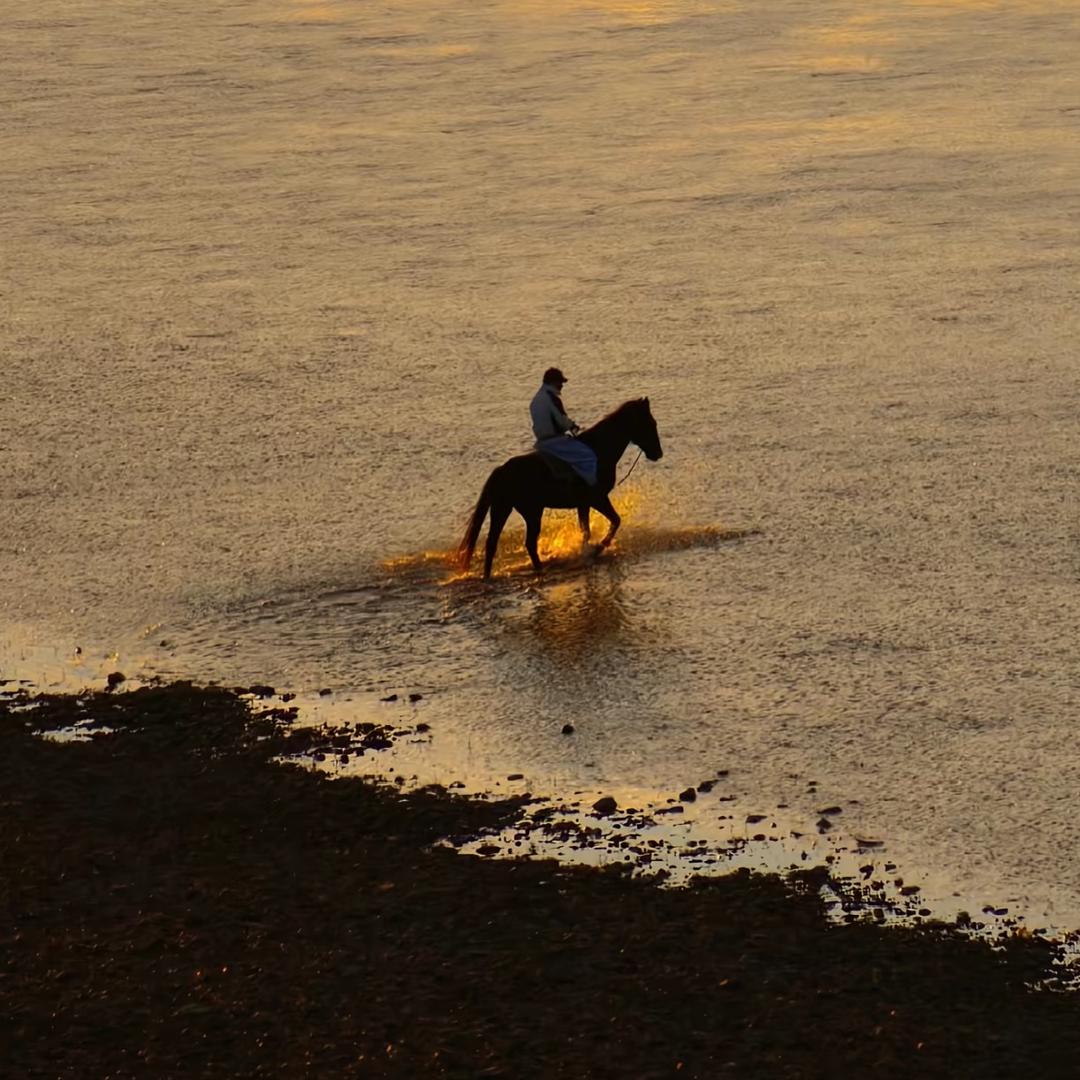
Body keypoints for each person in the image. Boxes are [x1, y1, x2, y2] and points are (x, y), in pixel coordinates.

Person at [529, 367, 598, 488]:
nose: (561, 386)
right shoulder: (552, 398)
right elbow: (561, 420)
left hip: (541, 441)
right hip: (555, 440)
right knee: (588, 455)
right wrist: (573, 426)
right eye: (560, 382)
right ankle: (591, 487)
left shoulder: (535, 400)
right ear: (553, 382)